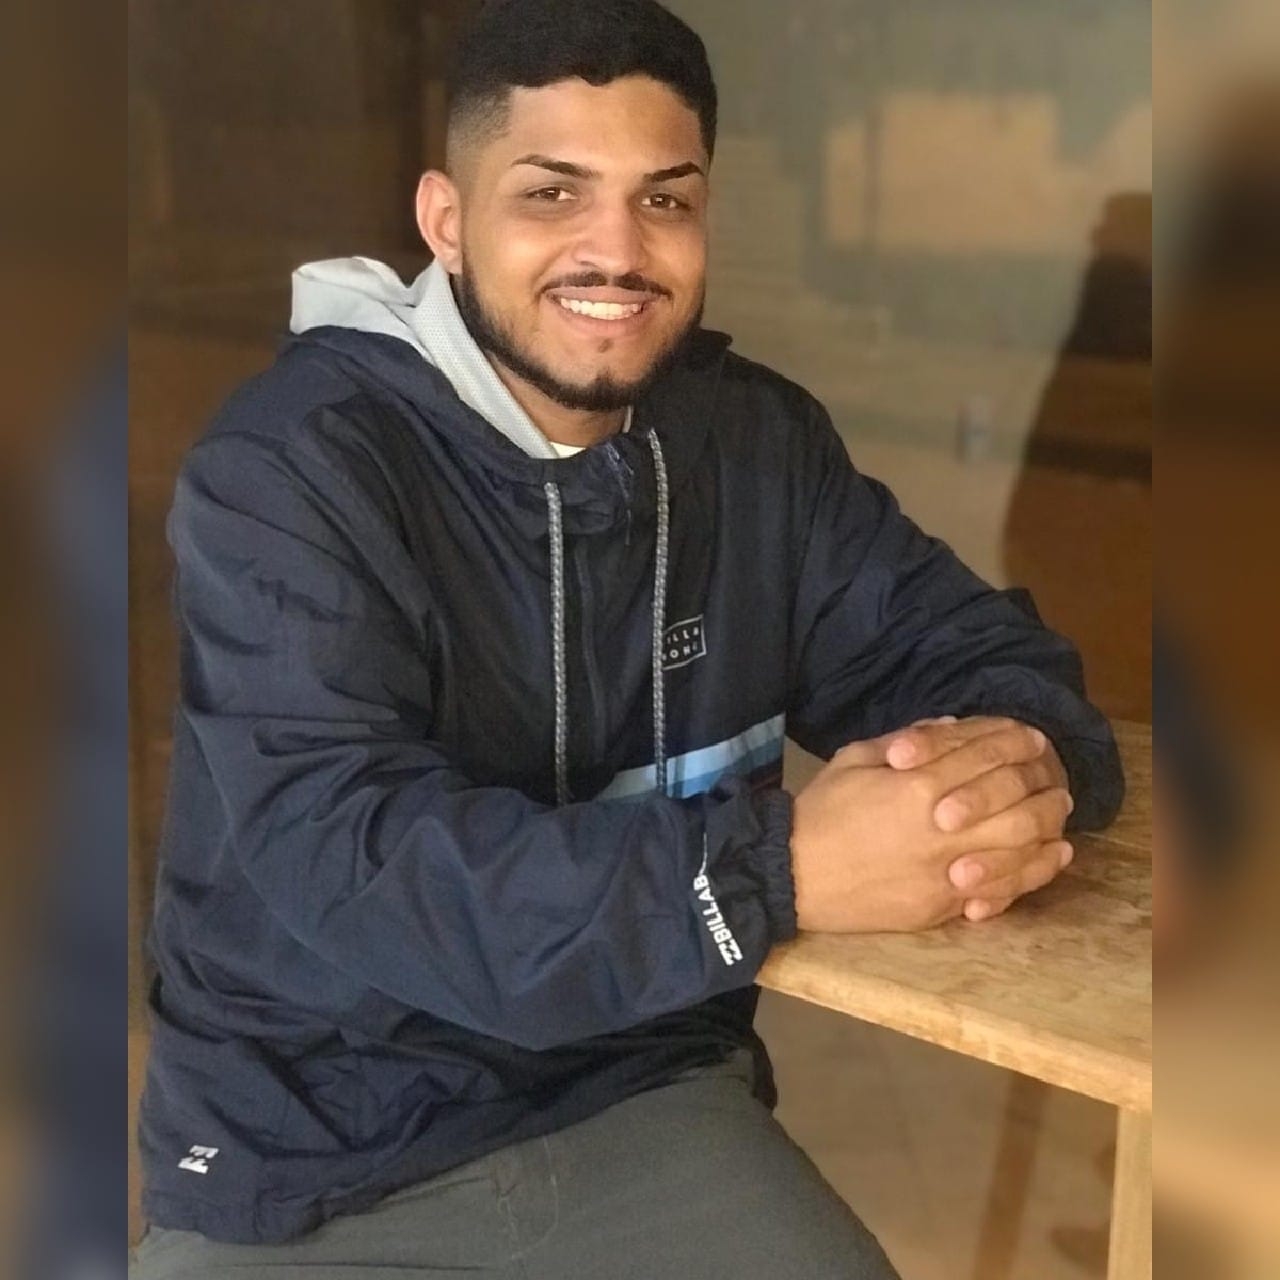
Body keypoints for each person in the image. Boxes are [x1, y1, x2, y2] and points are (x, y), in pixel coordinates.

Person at [132, 1, 1123, 1276]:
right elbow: (355, 851)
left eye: (664, 200)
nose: (615, 249)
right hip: (312, 1148)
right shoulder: (292, 467)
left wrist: (1003, 774)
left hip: (637, 1093)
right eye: (551, 193)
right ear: (445, 218)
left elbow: (978, 661)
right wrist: (780, 870)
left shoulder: (751, 448)